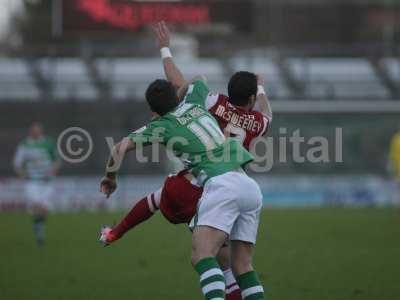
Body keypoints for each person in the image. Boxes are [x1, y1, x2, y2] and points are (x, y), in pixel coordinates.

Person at [100, 21, 272, 300]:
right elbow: (196, 79)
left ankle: (114, 233)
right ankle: (114, 233)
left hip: (215, 185)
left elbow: (118, 149)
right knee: (241, 266)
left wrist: (110, 177)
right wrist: (178, 88)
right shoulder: (197, 101)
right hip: (247, 184)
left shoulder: (165, 124)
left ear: (152, 110)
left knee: (202, 256)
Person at [13, 122, 60, 246]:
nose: (36, 132)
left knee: (44, 210)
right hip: (32, 182)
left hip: (46, 182)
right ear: (30, 131)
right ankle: (40, 233)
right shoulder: (24, 145)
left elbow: (56, 161)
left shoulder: (48, 143)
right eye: (34, 130)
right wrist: (23, 175)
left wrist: (52, 172)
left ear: (41, 131)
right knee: (37, 206)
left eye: (38, 130)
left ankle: (38, 225)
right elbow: (17, 164)